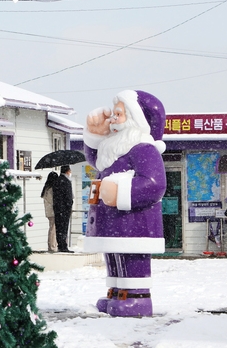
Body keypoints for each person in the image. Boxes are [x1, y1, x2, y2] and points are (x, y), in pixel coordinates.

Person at [83, 90, 166, 317]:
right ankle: (117, 292)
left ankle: (137, 297)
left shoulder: (143, 149)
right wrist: (94, 136)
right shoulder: (115, 148)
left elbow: (154, 184)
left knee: (132, 256)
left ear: (135, 119)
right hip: (114, 221)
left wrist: (120, 190)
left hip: (136, 221)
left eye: (118, 114)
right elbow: (98, 159)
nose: (113, 119)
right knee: (114, 255)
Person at [52, 165, 73, 253]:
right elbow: (68, 196)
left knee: (58, 227)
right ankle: (63, 246)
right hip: (64, 208)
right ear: (67, 171)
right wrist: (70, 205)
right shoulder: (66, 182)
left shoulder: (56, 181)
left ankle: (60, 244)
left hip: (57, 207)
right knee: (64, 227)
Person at [41, 171, 59, 252]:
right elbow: (53, 201)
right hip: (53, 211)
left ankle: (51, 245)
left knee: (52, 228)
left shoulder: (46, 188)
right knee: (53, 229)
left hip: (48, 211)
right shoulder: (51, 189)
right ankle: (52, 246)